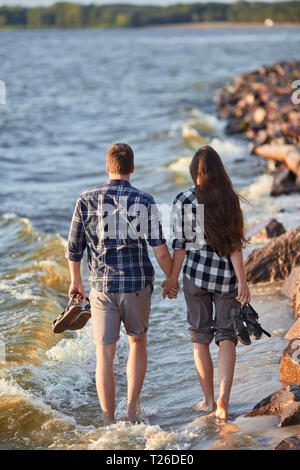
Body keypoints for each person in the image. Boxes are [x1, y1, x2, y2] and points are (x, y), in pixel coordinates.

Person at [66, 143, 173, 425]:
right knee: (137, 343)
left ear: (108, 167)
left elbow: (73, 248)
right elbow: (160, 249)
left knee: (105, 354)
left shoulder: (85, 199)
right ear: (132, 168)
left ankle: (108, 421)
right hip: (137, 285)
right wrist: (171, 279)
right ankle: (131, 412)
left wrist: (76, 280)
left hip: (102, 288)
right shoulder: (144, 201)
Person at [163, 145, 250, 421]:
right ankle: (224, 400)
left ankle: (208, 401)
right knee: (227, 338)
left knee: (200, 339)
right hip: (225, 280)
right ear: (218, 170)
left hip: (195, 279)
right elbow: (235, 245)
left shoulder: (184, 200)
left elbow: (180, 247)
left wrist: (172, 279)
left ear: (193, 173)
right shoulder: (229, 200)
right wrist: (242, 282)